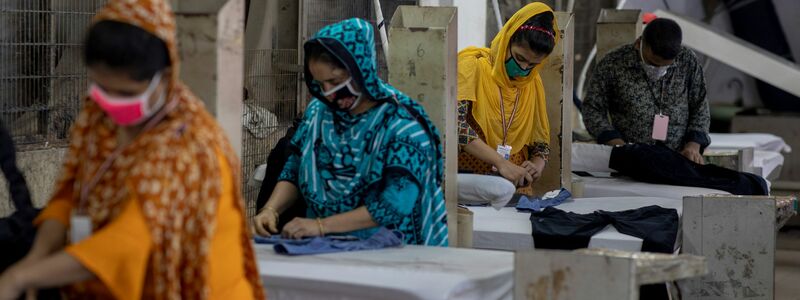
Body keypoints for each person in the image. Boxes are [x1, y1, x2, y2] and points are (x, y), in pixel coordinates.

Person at [0, 1, 264, 299]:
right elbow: (69, 192)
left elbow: (128, 243)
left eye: (126, 93)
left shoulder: (189, 145)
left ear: (164, 77)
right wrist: (37, 256)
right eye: (101, 87)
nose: (110, 103)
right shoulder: (98, 118)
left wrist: (20, 276)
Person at [251, 18, 448, 246]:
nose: (328, 93)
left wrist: (321, 226)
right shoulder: (318, 113)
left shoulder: (402, 124)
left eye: (334, 81)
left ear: (360, 68)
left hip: (397, 252)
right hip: (325, 248)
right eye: (320, 84)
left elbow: (395, 204)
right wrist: (271, 209)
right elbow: (295, 167)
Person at [457, 2, 559, 195]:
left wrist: (536, 165)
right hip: (470, 185)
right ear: (507, 40)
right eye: (520, 58)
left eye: (532, 64)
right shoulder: (472, 66)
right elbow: (456, 126)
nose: (523, 69)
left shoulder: (532, 82)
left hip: (516, 190)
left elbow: (541, 142)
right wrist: (500, 162)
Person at [582, 18, 711, 164]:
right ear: (639, 44)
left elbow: (700, 107)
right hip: (631, 159)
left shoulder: (687, 61)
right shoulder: (614, 63)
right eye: (653, 63)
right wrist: (616, 144)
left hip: (679, 158)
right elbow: (592, 109)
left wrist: (693, 145)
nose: (658, 70)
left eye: (665, 67)